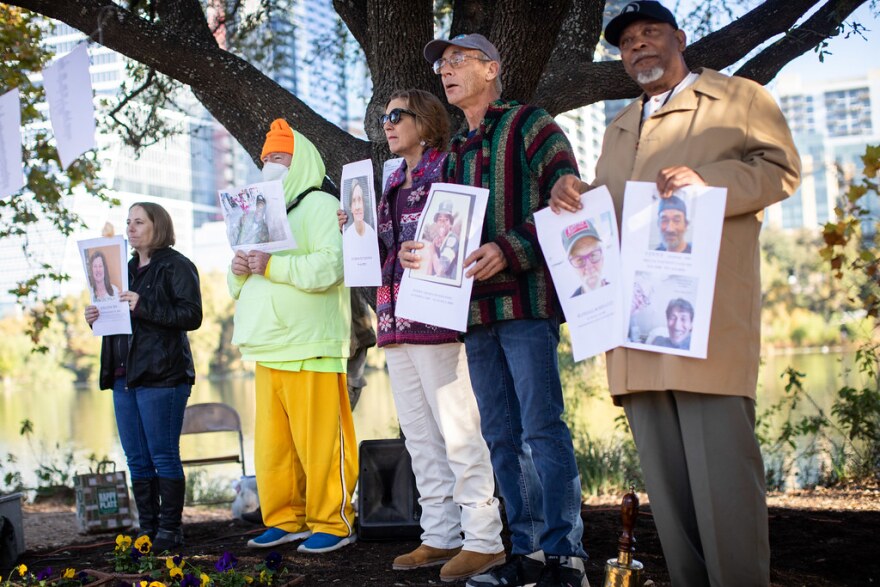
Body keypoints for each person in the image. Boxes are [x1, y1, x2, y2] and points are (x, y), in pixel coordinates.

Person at [550, 2, 801, 584]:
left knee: (724, 482)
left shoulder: (740, 98)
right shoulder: (620, 127)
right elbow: (610, 215)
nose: (638, 45)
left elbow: (780, 171)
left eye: (650, 32)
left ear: (679, 38)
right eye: (627, 40)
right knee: (668, 486)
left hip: (703, 320)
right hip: (634, 330)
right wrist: (575, 194)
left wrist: (707, 181)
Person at [404, 34, 589, 587]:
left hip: (526, 306)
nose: (445, 70)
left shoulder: (532, 124)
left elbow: (567, 201)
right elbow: (448, 232)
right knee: (501, 438)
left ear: (492, 69)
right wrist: (424, 254)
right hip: (476, 315)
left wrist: (508, 249)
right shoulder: (457, 149)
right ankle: (527, 552)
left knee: (542, 428)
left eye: (458, 61)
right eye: (441, 63)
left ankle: (566, 557)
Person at [339, 89, 505, 583]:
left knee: (458, 432)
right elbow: (386, 249)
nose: (386, 125)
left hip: (438, 322)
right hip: (394, 320)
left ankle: (484, 539)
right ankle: (439, 534)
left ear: (426, 122)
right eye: (382, 117)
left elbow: (468, 228)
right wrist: (357, 227)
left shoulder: (449, 167)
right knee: (418, 435)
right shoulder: (391, 181)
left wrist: (430, 248)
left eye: (396, 116)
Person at [229, 118, 356, 554]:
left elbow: (329, 268)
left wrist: (270, 266)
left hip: (312, 344)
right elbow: (241, 287)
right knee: (273, 447)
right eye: (265, 159)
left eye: (279, 158)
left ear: (300, 161)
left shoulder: (321, 204)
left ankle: (333, 521)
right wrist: (239, 271)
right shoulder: (258, 214)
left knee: (321, 442)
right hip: (267, 345)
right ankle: (284, 518)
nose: (270, 166)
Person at [84, 202, 202, 553]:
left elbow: (191, 315)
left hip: (163, 375)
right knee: (136, 458)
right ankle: (147, 528)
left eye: (139, 222)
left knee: (163, 455)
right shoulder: (124, 269)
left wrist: (143, 305)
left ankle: (170, 530)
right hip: (123, 376)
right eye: (128, 222)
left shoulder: (177, 266)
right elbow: (116, 317)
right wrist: (95, 315)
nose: (131, 228)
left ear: (158, 226)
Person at [562, 220, 607, 296]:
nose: (589, 268)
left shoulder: (622, 289)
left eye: (593, 255)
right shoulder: (569, 306)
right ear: (572, 266)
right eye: (579, 260)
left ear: (602, 256)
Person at [426, 201, 460, 279]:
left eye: (446, 220)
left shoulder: (452, 239)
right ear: (436, 222)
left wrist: (433, 251)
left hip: (449, 284)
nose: (442, 223)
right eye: (440, 219)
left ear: (451, 224)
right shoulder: (437, 240)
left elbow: (440, 270)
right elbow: (429, 270)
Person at [342, 179, 377, 248]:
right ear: (350, 207)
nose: (357, 207)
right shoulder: (347, 236)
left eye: (359, 199)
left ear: (364, 204)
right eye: (354, 201)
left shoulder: (372, 233)